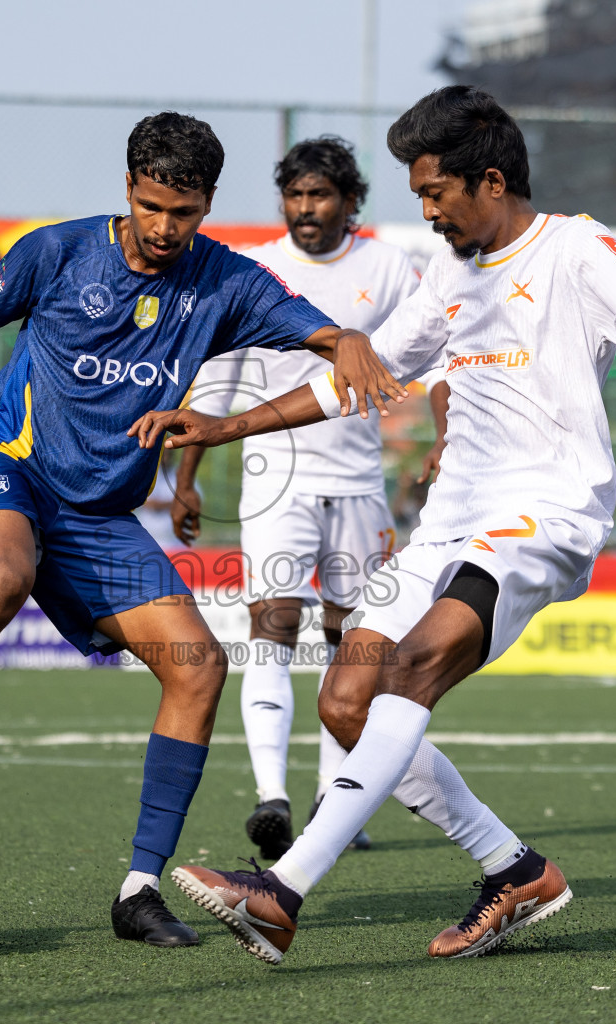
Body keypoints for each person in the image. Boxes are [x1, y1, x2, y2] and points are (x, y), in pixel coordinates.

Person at [131, 85, 616, 964]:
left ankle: (282, 891)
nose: (428, 211)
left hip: (542, 514)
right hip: (449, 523)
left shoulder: (573, 245)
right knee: (346, 701)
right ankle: (513, 869)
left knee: (413, 667)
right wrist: (225, 424)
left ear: (488, 180)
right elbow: (355, 377)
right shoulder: (447, 273)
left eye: (434, 193)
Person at [0, 112, 402, 949]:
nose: (166, 228)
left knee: (199, 668)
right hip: (1, 464)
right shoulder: (55, 253)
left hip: (97, 515)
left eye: (186, 211)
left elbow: (317, 327)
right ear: (128, 186)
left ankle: (137, 891)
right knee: (2, 576)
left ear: (206, 204)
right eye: (153, 205)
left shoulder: (223, 283)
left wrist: (345, 339)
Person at [175, 137, 419, 860]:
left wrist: (441, 439)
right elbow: (218, 380)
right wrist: (185, 479)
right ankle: (270, 797)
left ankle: (332, 799)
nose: (305, 209)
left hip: (357, 485)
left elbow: (433, 357)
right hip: (274, 478)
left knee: (353, 646)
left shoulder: (389, 268)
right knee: (273, 621)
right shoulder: (259, 270)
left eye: (319, 196)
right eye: (295, 195)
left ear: (350, 202)